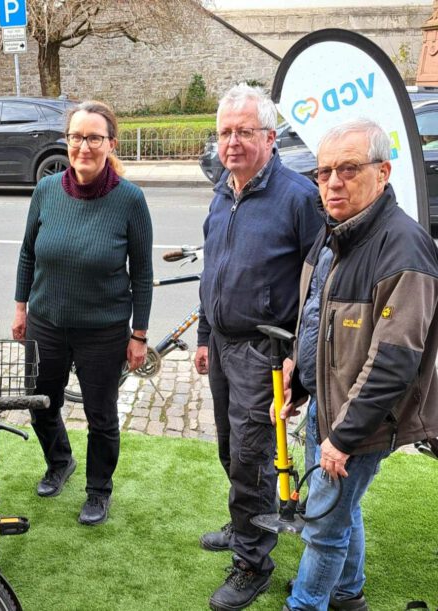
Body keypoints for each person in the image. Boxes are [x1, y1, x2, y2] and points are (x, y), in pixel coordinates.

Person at [280, 119, 438, 611]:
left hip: (359, 423)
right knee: (339, 513)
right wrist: (297, 374)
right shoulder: (335, 236)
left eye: (348, 169)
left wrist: (343, 438)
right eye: (324, 171)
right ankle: (348, 594)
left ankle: (306, 604)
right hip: (325, 411)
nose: (332, 182)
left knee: (324, 527)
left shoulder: (403, 246)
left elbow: (395, 361)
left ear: (383, 172)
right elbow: (313, 319)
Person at [194, 84, 323, 610]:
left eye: (244, 132)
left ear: (269, 137)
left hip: (264, 351)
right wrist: (204, 335)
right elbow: (213, 272)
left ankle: (252, 560)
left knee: (251, 455)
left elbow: (318, 284)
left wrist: (299, 355)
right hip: (224, 345)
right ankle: (246, 521)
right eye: (225, 132)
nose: (232, 142)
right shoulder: (224, 190)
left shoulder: (298, 197)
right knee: (230, 447)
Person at [12, 100, 153, 526]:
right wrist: (21, 308)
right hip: (46, 323)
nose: (84, 146)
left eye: (94, 138)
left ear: (110, 143)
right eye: (76, 137)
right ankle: (60, 462)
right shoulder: (46, 190)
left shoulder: (130, 200)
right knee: (40, 403)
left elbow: (142, 275)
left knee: (101, 416)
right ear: (67, 141)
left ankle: (98, 490)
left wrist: (139, 335)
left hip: (103, 331)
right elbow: (27, 255)